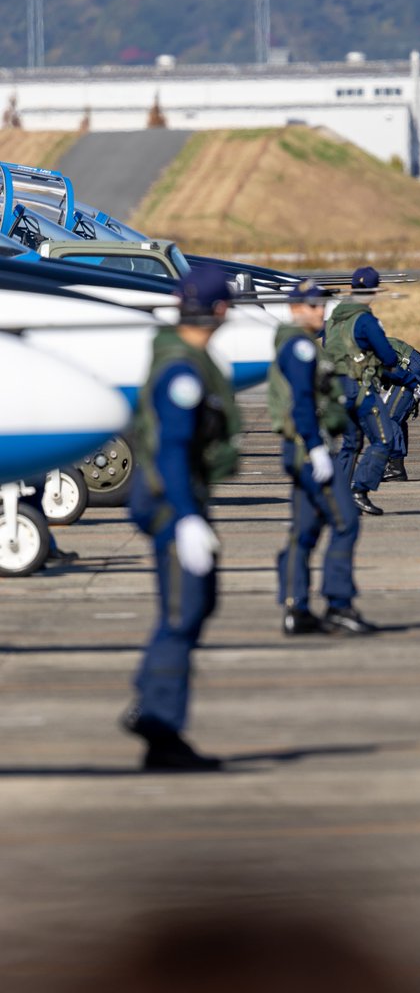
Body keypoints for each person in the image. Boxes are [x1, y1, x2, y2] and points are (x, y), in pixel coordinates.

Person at [122, 266, 240, 771]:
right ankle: (159, 727)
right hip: (172, 503)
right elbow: (171, 449)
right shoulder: (183, 372)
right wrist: (189, 518)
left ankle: (151, 705)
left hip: (180, 500)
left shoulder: (185, 360)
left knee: (197, 604)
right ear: (220, 311)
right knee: (181, 613)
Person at [267, 278, 375, 637]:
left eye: (322, 305)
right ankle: (338, 605)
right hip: (308, 449)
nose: (320, 312)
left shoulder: (294, 343)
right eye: (313, 305)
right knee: (346, 522)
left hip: (299, 449)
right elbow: (302, 401)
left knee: (305, 530)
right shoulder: (299, 347)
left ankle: (295, 607)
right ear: (295, 308)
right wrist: (316, 447)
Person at [323, 266, 415, 516]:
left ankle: (339, 496)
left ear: (352, 288)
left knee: (351, 442)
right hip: (359, 387)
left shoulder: (334, 319)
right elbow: (389, 357)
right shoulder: (365, 320)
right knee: (383, 439)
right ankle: (359, 490)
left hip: (335, 387)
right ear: (374, 291)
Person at [381, 336, 420, 481]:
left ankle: (395, 467)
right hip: (408, 368)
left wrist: (413, 383)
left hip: (411, 369)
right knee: (394, 415)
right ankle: (395, 465)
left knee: (391, 416)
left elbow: (389, 365)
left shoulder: (359, 344)